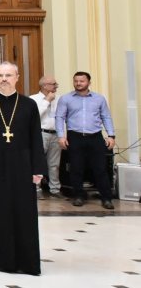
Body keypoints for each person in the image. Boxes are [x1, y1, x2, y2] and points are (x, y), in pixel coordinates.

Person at [0, 62, 43, 274]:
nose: (4, 79)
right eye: (0, 76)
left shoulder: (28, 104)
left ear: (17, 77)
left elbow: (35, 137)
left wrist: (37, 168)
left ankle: (25, 260)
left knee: (23, 211)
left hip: (22, 164)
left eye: (8, 75)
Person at [56, 71, 116, 209]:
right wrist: (61, 136)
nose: (78, 83)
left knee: (100, 168)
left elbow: (106, 117)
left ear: (89, 82)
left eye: (82, 81)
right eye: (76, 81)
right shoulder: (66, 99)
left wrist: (111, 135)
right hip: (75, 136)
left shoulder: (99, 98)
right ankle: (78, 196)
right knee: (76, 168)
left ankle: (106, 198)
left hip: (95, 136)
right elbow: (59, 117)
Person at [29, 75, 62, 197]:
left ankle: (55, 189)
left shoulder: (59, 99)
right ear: (44, 86)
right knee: (37, 162)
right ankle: (36, 189)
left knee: (54, 164)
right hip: (40, 134)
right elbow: (34, 116)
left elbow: (62, 118)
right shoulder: (33, 99)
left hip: (56, 134)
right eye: (54, 84)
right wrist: (47, 101)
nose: (56, 86)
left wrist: (63, 135)